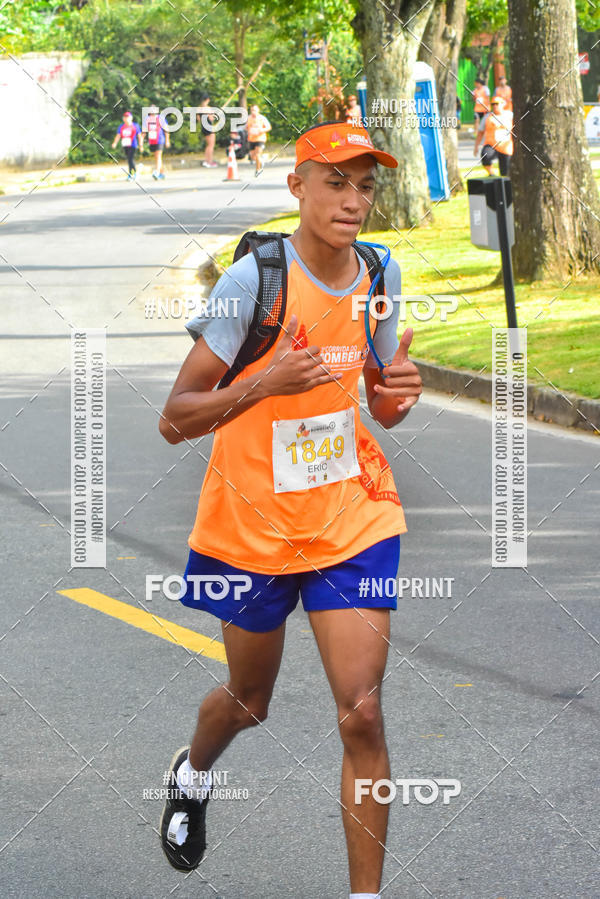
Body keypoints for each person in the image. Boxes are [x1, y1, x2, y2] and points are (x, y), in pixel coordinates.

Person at [158, 120, 423, 899]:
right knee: (249, 699)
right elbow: (175, 417)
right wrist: (265, 384)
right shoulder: (254, 283)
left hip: (351, 514)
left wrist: (396, 393)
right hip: (250, 525)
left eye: (366, 185)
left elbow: (379, 397)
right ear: (297, 187)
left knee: (363, 711)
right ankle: (192, 771)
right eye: (335, 181)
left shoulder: (380, 270)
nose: (353, 200)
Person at [474, 95, 514, 175]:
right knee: (485, 157)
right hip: (491, 145)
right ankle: (492, 174)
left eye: (497, 104)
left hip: (506, 147)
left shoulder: (510, 115)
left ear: (503, 104)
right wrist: (476, 146)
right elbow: (480, 132)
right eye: (493, 104)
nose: (495, 106)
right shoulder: (487, 117)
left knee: (505, 172)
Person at [111, 111, 143, 180]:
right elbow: (118, 135)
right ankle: (132, 173)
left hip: (133, 145)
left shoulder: (135, 125)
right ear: (123, 118)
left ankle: (133, 174)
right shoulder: (122, 126)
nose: (126, 118)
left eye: (127, 117)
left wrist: (141, 145)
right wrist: (115, 143)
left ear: (131, 118)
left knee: (131, 159)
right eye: (125, 117)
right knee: (129, 159)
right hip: (125, 145)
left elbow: (139, 136)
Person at [143, 107, 170, 179]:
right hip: (152, 140)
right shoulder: (147, 119)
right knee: (157, 157)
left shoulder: (160, 118)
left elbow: (166, 129)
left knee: (158, 155)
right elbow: (144, 131)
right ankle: (161, 173)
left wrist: (167, 140)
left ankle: (156, 172)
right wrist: (141, 141)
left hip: (160, 139)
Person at [246, 103, 272, 175]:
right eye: (252, 110)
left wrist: (261, 130)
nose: (253, 112)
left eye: (254, 110)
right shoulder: (248, 118)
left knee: (257, 154)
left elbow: (269, 127)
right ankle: (261, 161)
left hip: (260, 138)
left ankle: (258, 170)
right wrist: (249, 130)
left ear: (258, 110)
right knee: (252, 156)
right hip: (251, 139)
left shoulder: (262, 118)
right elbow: (246, 127)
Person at [198, 93, 219, 168]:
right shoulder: (208, 108)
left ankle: (207, 161)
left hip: (203, 128)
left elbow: (199, 119)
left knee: (208, 145)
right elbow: (211, 118)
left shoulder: (199, 109)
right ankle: (209, 161)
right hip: (209, 127)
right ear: (208, 100)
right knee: (211, 145)